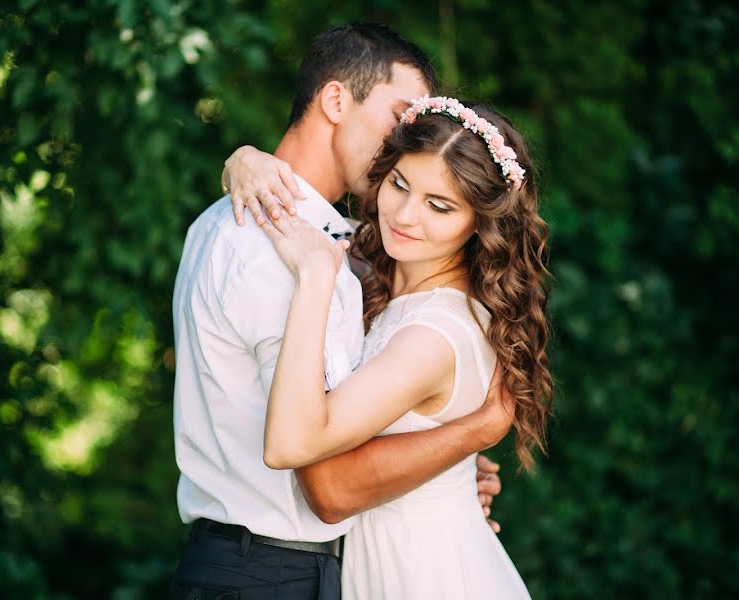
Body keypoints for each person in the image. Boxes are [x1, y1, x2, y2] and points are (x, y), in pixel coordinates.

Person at [171, 24, 511, 600]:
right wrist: (466, 435)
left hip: (270, 564)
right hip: (270, 572)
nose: (408, 137)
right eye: (398, 115)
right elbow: (320, 470)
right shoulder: (286, 249)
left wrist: (437, 473)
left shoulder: (286, 229)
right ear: (335, 100)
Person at [235, 96, 552, 599]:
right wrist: (244, 159)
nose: (405, 215)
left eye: (440, 206)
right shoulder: (388, 278)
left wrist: (316, 275)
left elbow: (288, 446)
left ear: (481, 224)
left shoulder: (433, 334)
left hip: (426, 574)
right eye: (400, 184)